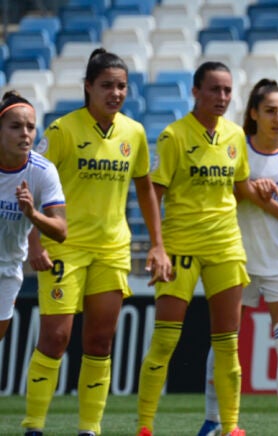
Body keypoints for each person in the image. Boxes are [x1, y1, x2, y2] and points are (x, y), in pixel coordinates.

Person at [135, 62, 278, 436]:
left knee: (227, 342)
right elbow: (152, 194)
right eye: (214, 89)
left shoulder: (234, 136)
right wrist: (157, 246)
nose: (222, 97)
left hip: (226, 245)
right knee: (165, 339)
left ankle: (230, 427)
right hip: (181, 246)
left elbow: (241, 188)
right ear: (195, 92)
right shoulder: (174, 136)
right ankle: (144, 426)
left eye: (227, 90)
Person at [22, 49, 172, 436]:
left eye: (121, 86)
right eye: (106, 85)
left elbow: (145, 189)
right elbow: (29, 187)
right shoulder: (62, 131)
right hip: (64, 247)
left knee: (101, 340)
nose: (115, 93)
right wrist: (35, 243)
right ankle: (33, 426)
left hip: (112, 249)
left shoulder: (134, 133)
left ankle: (90, 429)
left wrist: (157, 244)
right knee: (55, 338)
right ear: (88, 87)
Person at [196, 78, 278, 436]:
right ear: (254, 113)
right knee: (225, 342)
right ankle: (214, 419)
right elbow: (219, 196)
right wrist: (252, 190)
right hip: (236, 257)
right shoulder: (235, 149)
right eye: (270, 111)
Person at [0, 91, 67, 342]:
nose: (25, 133)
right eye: (15, 127)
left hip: (8, 270)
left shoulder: (43, 171)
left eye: (30, 127)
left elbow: (61, 230)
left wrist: (32, 214)